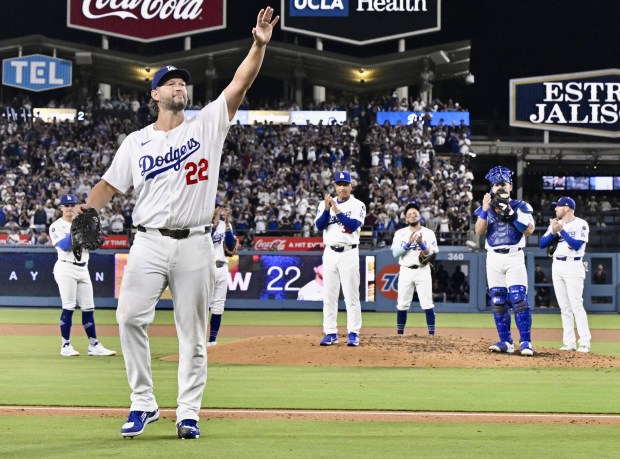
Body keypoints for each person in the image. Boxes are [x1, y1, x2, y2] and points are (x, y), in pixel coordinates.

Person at [76, 7, 279, 440]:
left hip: (194, 242)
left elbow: (241, 82)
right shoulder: (137, 142)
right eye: (171, 82)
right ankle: (143, 402)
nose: (180, 86)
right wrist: (85, 213)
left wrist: (258, 44)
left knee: (193, 333)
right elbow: (108, 187)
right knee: (129, 317)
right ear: (155, 94)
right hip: (147, 240)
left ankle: (189, 411)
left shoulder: (207, 124)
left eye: (183, 82)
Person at [474, 166, 535, 356]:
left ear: (510, 186)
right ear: (491, 188)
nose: (500, 187)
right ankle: (506, 341)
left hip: (514, 255)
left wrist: (511, 214)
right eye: (496, 184)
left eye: (503, 183)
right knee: (498, 300)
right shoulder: (485, 208)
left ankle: (525, 342)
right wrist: (484, 210)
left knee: (519, 299)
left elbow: (529, 230)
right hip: (493, 257)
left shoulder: (520, 205)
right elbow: (479, 231)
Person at [49, 194, 116, 357]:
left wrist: (94, 239)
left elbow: (91, 245)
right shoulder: (56, 226)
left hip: (83, 268)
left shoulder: (84, 223)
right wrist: (76, 229)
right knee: (69, 306)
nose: (70, 208)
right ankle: (65, 345)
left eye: (73, 205)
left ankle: (94, 345)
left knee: (88, 308)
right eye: (66, 205)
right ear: (61, 208)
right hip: (66, 268)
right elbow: (65, 246)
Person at [315, 171, 366, 347]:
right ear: (335, 186)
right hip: (329, 252)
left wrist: (337, 210)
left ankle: (353, 333)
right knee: (329, 296)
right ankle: (330, 332)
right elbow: (319, 226)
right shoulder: (325, 204)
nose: (342, 187)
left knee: (351, 296)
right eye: (339, 184)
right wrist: (328, 210)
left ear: (351, 186)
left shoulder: (358, 204)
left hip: (349, 252)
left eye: (345, 184)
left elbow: (352, 226)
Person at [539, 196, 592, 353]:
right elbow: (542, 244)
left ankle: (584, 342)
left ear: (567, 208)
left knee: (576, 304)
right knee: (564, 307)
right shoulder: (557, 223)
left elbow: (576, 245)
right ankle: (569, 342)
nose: (555, 208)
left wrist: (561, 230)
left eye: (558, 206)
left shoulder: (581, 223)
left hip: (574, 264)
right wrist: (553, 233)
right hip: (558, 265)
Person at [391, 203, 439, 335]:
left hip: (422, 270)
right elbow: (395, 254)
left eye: (415, 214)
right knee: (402, 304)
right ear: (406, 219)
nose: (412, 216)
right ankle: (400, 334)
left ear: (420, 216)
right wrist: (408, 244)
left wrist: (421, 244)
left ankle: (431, 335)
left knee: (427, 304)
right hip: (406, 269)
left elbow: (432, 254)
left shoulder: (428, 233)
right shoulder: (400, 233)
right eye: (409, 215)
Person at [208, 199, 238, 346]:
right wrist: (214, 223)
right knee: (201, 306)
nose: (216, 209)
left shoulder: (225, 225)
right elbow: (206, 241)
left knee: (218, 306)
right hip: (206, 268)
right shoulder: (201, 224)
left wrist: (226, 225)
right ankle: (197, 340)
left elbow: (231, 244)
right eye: (214, 207)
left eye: (217, 207)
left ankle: (212, 341)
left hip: (222, 267)